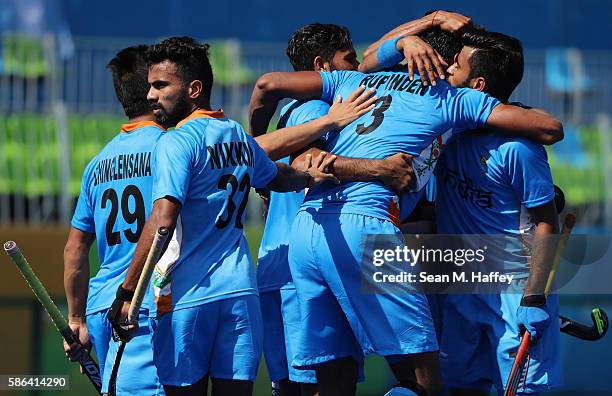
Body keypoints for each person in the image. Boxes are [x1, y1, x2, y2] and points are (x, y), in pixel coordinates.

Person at [248, 43, 563, 395]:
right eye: (452, 63)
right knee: (421, 379)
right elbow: (549, 127)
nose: (450, 72)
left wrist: (403, 42)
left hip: (309, 231)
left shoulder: (355, 81)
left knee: (333, 377)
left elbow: (269, 84)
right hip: (366, 227)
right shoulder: (452, 99)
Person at [105, 36, 363, 396]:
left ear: (194, 89)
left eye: (161, 85)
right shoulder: (236, 135)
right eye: (150, 86)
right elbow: (276, 177)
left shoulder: (175, 141)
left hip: (187, 298)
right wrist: (310, 178)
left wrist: (128, 290)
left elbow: (163, 220)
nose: (150, 96)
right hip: (240, 293)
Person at [253, 23, 415, 396]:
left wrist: (425, 24)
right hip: (304, 269)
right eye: (349, 60)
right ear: (322, 65)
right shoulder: (317, 108)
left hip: (280, 265)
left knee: (294, 386)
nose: (357, 68)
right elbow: (312, 165)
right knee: (326, 383)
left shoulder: (294, 110)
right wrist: (381, 169)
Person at [434, 30, 562, 395]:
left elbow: (546, 223)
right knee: (460, 388)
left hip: (514, 289)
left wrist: (534, 298)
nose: (445, 71)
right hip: (459, 283)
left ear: (477, 84)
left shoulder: (519, 149)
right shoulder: (449, 130)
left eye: (455, 66)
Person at [63, 45, 165, 395]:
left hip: (100, 307)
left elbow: (76, 248)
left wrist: (76, 320)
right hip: (143, 307)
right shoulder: (172, 147)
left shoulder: (97, 163)